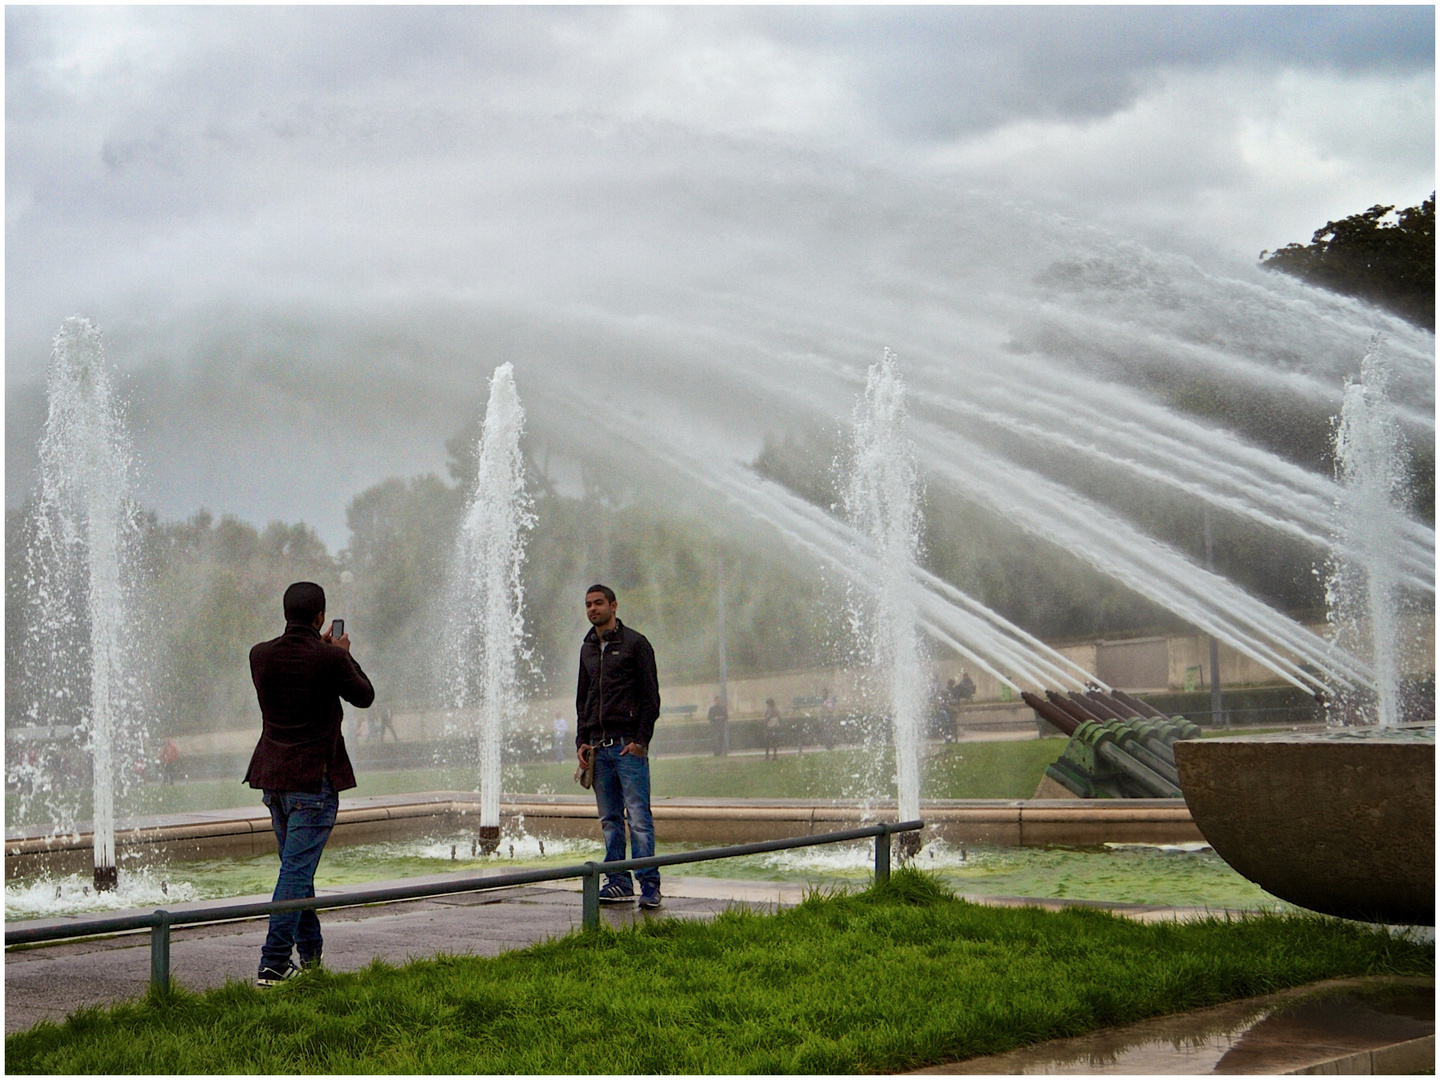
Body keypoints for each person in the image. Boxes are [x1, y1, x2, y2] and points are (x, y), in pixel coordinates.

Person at [244, 581, 374, 987]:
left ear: (286, 613)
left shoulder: (259, 655)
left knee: (297, 872)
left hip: (273, 783)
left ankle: (312, 960)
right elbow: (365, 696)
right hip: (312, 784)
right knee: (295, 875)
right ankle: (273, 964)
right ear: (321, 616)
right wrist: (343, 656)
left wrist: (326, 655)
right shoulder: (330, 659)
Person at [575, 584, 662, 909]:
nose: (592, 609)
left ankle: (649, 885)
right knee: (610, 820)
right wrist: (581, 742)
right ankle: (618, 882)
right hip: (598, 748)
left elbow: (651, 697)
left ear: (613, 605)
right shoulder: (586, 648)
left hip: (627, 747)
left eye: (598, 603)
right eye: (588, 605)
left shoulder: (636, 644)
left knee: (639, 818)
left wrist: (641, 741)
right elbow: (583, 699)